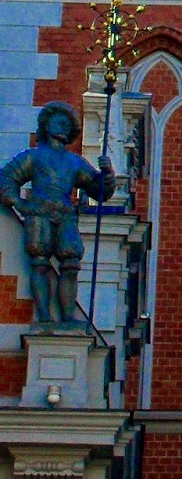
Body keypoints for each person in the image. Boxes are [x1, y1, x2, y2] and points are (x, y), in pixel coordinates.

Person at [0, 102, 115, 328]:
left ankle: (68, 316)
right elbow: (6, 179)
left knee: (71, 263)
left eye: (68, 124)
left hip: (65, 214)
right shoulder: (33, 156)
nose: (64, 126)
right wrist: (20, 204)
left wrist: (107, 174)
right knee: (39, 262)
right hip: (39, 212)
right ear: (47, 125)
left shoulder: (74, 161)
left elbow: (98, 190)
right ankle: (44, 315)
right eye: (59, 121)